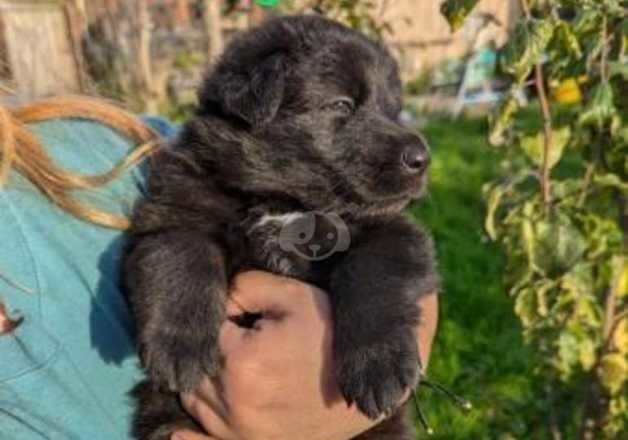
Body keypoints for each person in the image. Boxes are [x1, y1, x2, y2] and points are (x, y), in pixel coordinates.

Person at [0, 97, 438, 440]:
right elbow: (174, 229)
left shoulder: (102, 148)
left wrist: (373, 336)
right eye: (343, 107)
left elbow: (396, 246)